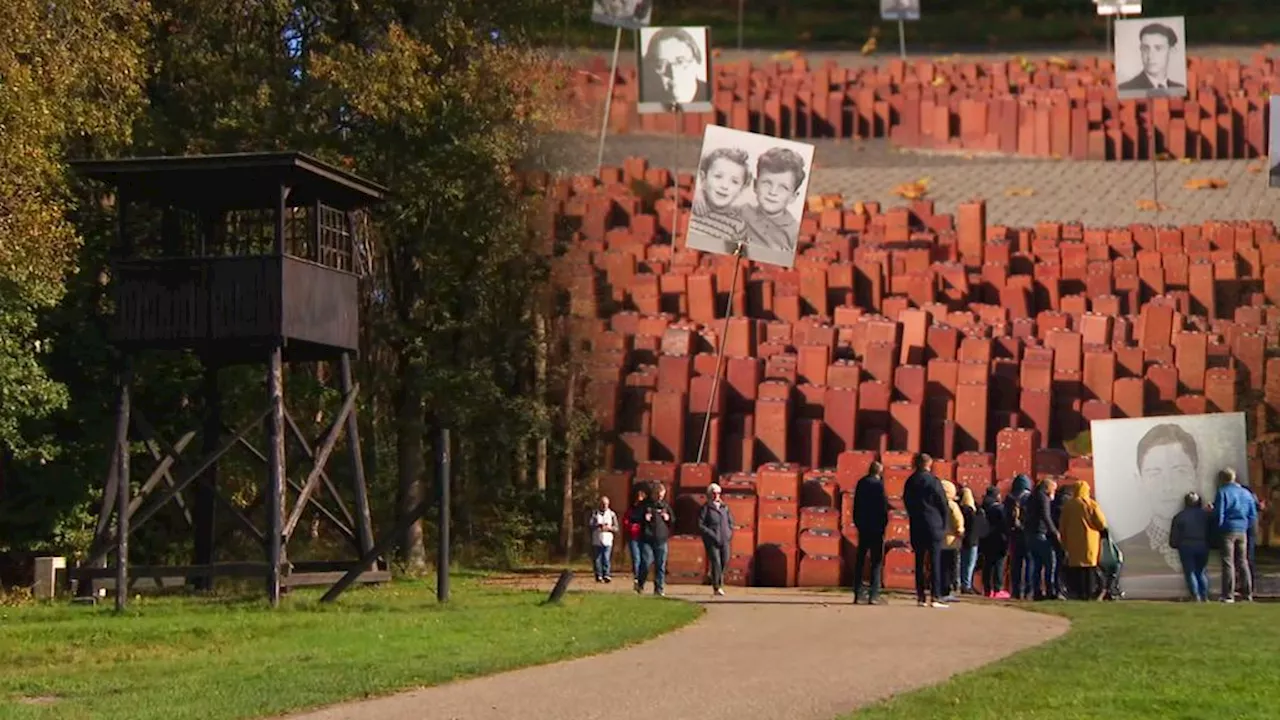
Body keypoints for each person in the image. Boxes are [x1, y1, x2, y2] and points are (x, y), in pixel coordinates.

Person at [1117, 423, 1206, 576]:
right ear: (1140, 481)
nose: (1168, 486)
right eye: (1155, 473)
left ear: (1196, 476)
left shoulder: (1216, 544)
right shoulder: (1124, 551)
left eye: (1179, 472)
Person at [903, 453, 950, 608]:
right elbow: (943, 503)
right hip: (934, 524)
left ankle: (921, 596)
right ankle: (935, 596)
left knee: (919, 561)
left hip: (917, 524)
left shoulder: (910, 481)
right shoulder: (933, 481)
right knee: (935, 561)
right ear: (928, 464)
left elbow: (907, 502)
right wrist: (944, 523)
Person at [738, 147, 806, 255]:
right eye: (767, 183)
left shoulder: (795, 232)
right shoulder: (741, 212)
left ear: (793, 197)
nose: (773, 192)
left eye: (783, 187)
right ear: (755, 185)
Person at [688, 147, 751, 249]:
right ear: (703, 178)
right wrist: (695, 193)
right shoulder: (692, 206)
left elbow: (740, 255)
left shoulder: (738, 226)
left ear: (741, 189)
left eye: (734, 181)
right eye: (718, 176)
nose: (724, 186)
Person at [1213, 467, 1257, 603]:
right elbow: (1252, 514)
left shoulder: (1222, 492)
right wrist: (1245, 526)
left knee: (1228, 562)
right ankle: (1247, 593)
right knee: (1243, 561)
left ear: (1222, 479)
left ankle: (1228, 594)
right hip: (1242, 530)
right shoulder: (1246, 493)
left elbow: (1219, 513)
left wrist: (1218, 527)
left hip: (1227, 529)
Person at [1060, 482, 1108, 601]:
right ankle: (1089, 592)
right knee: (1089, 568)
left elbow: (1062, 525)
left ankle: (1077, 592)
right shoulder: (1090, 504)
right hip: (1089, 540)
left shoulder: (1068, 505)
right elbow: (1101, 522)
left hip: (1072, 541)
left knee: (1077, 568)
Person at [852, 460, 891, 605]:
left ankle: (857, 593)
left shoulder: (861, 483)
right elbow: (882, 508)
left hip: (863, 526)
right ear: (879, 472)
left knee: (860, 560)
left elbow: (856, 504)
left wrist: (858, 522)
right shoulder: (878, 486)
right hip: (876, 528)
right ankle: (874, 594)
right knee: (876, 561)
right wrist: (884, 524)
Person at [640, 27, 708, 106]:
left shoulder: (712, 94)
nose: (673, 74)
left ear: (697, 62)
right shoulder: (647, 99)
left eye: (680, 62)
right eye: (661, 65)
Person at [1117, 23, 1185, 93]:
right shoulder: (1125, 89)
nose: (1150, 56)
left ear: (1171, 50)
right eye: (1146, 48)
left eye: (1158, 48)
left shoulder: (1180, 88)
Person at [1169, 491, 1212, 602]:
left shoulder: (1179, 516)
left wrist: (1174, 544)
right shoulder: (1205, 516)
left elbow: (1175, 535)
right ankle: (1205, 595)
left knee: (1190, 571)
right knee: (1201, 571)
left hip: (1186, 545)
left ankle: (1195, 595)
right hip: (1202, 544)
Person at [1025, 477, 1063, 601]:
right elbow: (1046, 516)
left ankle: (1036, 591)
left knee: (1037, 564)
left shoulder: (1032, 496)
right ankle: (1050, 590)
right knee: (1050, 563)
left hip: (1030, 533)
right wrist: (1054, 532)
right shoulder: (1043, 498)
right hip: (1040, 533)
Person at [698, 482, 734, 596]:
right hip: (712, 541)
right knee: (716, 562)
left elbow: (730, 522)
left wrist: (729, 533)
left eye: (718, 493)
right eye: (714, 493)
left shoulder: (725, 507)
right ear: (709, 494)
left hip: (724, 539)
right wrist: (711, 534)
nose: (716, 495)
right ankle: (717, 586)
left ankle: (715, 577)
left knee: (725, 560)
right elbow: (701, 525)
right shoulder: (705, 508)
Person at [640, 482, 675, 597]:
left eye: (662, 496)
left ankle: (659, 589)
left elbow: (673, 520)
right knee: (646, 562)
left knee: (660, 565)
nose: (660, 498)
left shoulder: (665, 506)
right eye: (658, 495)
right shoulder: (645, 505)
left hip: (661, 539)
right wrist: (644, 518)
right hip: (647, 539)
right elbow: (635, 518)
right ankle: (640, 583)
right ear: (653, 494)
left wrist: (668, 518)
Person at [1004, 474, 1034, 599]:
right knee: (1030, 562)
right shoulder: (1030, 498)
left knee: (1016, 563)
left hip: (1014, 534)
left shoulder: (1009, 498)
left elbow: (1005, 518)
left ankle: (1016, 590)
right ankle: (1028, 590)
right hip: (1027, 533)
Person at [979, 485, 1009, 598]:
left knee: (987, 564)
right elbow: (1004, 525)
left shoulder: (983, 507)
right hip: (999, 539)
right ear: (997, 495)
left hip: (986, 538)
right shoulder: (999, 508)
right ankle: (998, 589)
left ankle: (987, 589)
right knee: (999, 564)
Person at [939, 480, 965, 601]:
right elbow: (958, 520)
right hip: (951, 541)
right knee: (950, 568)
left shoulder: (936, 503)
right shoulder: (952, 505)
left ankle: (939, 590)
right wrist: (960, 531)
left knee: (941, 566)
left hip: (939, 539)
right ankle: (946, 591)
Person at [622, 485, 650, 589]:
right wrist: (630, 527)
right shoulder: (631, 508)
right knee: (636, 558)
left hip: (644, 536)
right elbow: (626, 520)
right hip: (633, 536)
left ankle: (641, 578)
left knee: (645, 559)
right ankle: (637, 577)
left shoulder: (646, 508)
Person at [1050, 483, 1074, 598]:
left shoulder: (1053, 503)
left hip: (1054, 537)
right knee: (1064, 564)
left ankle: (1057, 589)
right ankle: (1063, 589)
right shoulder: (1068, 504)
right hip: (1065, 537)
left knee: (1057, 564)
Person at [588, 495, 619, 583]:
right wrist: (597, 526)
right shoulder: (595, 514)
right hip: (597, 539)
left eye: (606, 504)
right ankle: (598, 575)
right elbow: (590, 525)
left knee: (606, 558)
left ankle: (606, 574)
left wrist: (609, 528)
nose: (604, 506)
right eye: (602, 504)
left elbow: (616, 528)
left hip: (608, 540)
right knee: (597, 559)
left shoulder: (612, 514)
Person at [958, 486, 982, 595]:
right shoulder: (972, 511)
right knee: (969, 564)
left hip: (961, 539)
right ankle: (966, 585)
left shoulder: (959, 508)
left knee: (961, 563)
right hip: (972, 540)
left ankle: (962, 584)